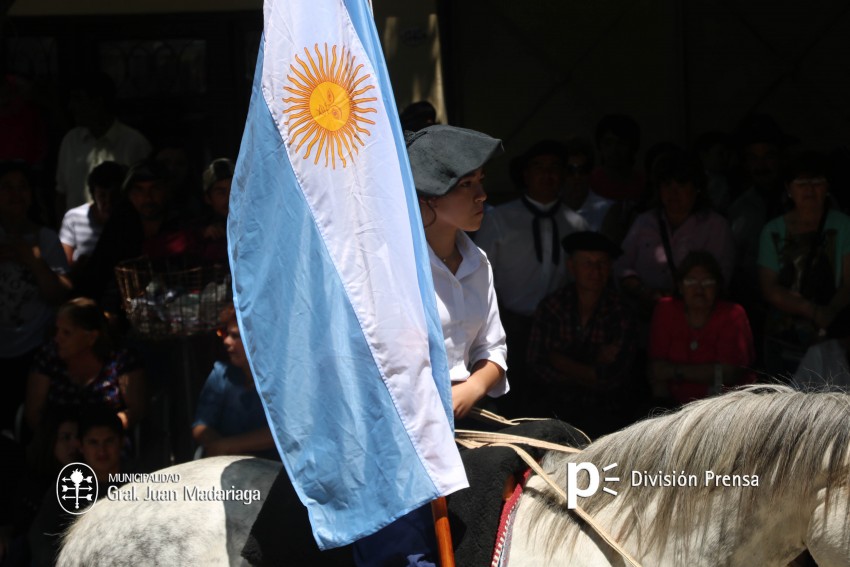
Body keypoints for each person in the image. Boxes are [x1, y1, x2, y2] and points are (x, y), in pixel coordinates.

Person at [354, 125, 508, 567]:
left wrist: (472, 389)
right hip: (399, 433)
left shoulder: (479, 264)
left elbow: (494, 349)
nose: (481, 195)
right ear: (429, 200)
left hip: (468, 419)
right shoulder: (388, 268)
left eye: (480, 182)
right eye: (466, 185)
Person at [474, 139, 586, 414]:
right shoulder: (499, 218)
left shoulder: (577, 223)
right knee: (514, 401)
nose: (547, 175)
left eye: (554, 168)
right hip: (512, 325)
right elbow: (480, 275)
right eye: (539, 167)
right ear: (525, 174)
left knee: (557, 403)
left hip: (560, 331)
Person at [526, 231, 638, 437]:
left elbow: (613, 377)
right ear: (572, 266)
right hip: (553, 407)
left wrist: (561, 362)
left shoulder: (621, 311)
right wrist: (591, 366)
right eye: (587, 263)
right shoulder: (553, 306)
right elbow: (537, 364)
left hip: (606, 412)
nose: (595, 270)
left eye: (602, 263)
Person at [758, 151, 850, 375]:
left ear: (827, 187)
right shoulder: (772, 230)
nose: (810, 189)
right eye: (802, 182)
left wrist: (829, 314)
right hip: (784, 338)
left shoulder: (844, 224)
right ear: (789, 189)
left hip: (834, 333)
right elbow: (769, 288)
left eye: (817, 182)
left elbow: (849, 282)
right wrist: (812, 311)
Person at [615, 148, 735, 318]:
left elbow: (721, 280)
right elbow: (620, 266)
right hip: (644, 321)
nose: (673, 192)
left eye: (682, 185)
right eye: (667, 185)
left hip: (694, 323)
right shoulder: (644, 222)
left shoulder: (717, 227)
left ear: (697, 187)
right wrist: (643, 292)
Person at [0, 161, 71, 432]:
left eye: (22, 188)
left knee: (31, 425)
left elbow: (60, 295)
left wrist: (32, 260)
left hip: (35, 349)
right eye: (7, 188)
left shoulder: (46, 238)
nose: (15, 194)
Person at [649, 251, 755, 405]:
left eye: (707, 282)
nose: (699, 289)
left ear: (717, 287)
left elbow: (730, 373)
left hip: (724, 407)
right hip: (674, 408)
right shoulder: (666, 309)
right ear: (680, 286)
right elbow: (656, 371)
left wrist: (674, 371)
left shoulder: (733, 314)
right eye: (691, 281)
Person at [25, 297, 146, 432]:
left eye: (66, 333)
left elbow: (136, 410)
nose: (57, 338)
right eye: (57, 330)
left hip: (107, 443)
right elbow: (33, 415)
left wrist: (106, 431)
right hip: (58, 443)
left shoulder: (122, 360)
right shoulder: (48, 358)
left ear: (91, 337)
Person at [55, 71, 151, 215]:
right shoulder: (71, 141)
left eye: (78, 99)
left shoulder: (134, 143)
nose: (71, 106)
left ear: (97, 102)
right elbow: (61, 193)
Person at [192, 303, 276, 459]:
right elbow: (201, 425)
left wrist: (230, 446)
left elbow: (282, 432)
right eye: (225, 334)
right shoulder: (221, 375)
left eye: (235, 336)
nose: (226, 341)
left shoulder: (279, 382)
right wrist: (222, 448)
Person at [58, 160, 126, 268]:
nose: (108, 202)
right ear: (93, 195)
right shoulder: (74, 218)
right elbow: (63, 267)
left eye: (115, 195)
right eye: (102, 195)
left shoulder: (129, 219)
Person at [561, 137, 613, 232]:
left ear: (590, 172)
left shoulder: (606, 210)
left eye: (583, 170)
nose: (577, 176)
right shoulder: (548, 209)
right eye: (570, 170)